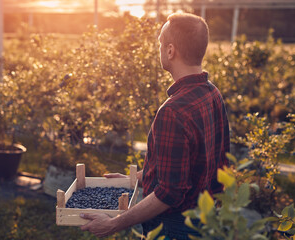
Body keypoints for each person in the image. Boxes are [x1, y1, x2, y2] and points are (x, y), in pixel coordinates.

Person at [80, 12, 230, 239]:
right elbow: (185, 167)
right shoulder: (212, 93)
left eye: (160, 43)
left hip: (174, 226)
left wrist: (114, 224)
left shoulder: (173, 112)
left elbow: (170, 192)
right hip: (207, 219)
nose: (159, 49)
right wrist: (135, 179)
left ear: (170, 51)